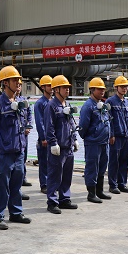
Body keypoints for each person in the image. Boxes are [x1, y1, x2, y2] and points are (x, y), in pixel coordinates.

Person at [0, 66, 31, 230]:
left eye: (19, 80)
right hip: (4, 153)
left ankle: (16, 213)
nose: (18, 83)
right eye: (14, 80)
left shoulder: (20, 102)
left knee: (16, 185)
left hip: (18, 151)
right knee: (1, 186)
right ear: (5, 83)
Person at [44, 75, 79, 214]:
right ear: (56, 89)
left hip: (68, 146)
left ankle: (64, 199)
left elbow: (71, 123)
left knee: (66, 175)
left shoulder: (67, 105)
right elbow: (49, 126)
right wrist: (53, 143)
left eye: (68, 87)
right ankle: (52, 202)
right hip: (58, 148)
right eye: (64, 87)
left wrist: (74, 139)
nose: (67, 90)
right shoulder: (51, 106)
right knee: (54, 176)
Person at [79, 77, 112, 203]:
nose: (102, 91)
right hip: (93, 142)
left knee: (102, 167)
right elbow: (83, 126)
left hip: (104, 142)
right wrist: (90, 137)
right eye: (99, 89)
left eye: (103, 89)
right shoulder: (88, 106)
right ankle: (91, 193)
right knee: (92, 168)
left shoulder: (102, 105)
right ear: (92, 90)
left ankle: (99, 191)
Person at [107, 76, 128, 194]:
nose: (124, 88)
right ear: (116, 87)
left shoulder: (127, 102)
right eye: (122, 86)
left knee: (123, 160)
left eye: (126, 86)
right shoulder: (110, 102)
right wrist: (111, 134)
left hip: (125, 136)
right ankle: (113, 185)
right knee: (114, 161)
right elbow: (109, 120)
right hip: (116, 136)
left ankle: (122, 183)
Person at [34, 75, 52, 194]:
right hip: (45, 139)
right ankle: (44, 184)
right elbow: (39, 121)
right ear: (43, 87)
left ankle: (52, 183)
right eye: (49, 86)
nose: (51, 88)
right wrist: (43, 137)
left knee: (53, 163)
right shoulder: (40, 103)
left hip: (54, 137)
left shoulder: (53, 102)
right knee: (44, 162)